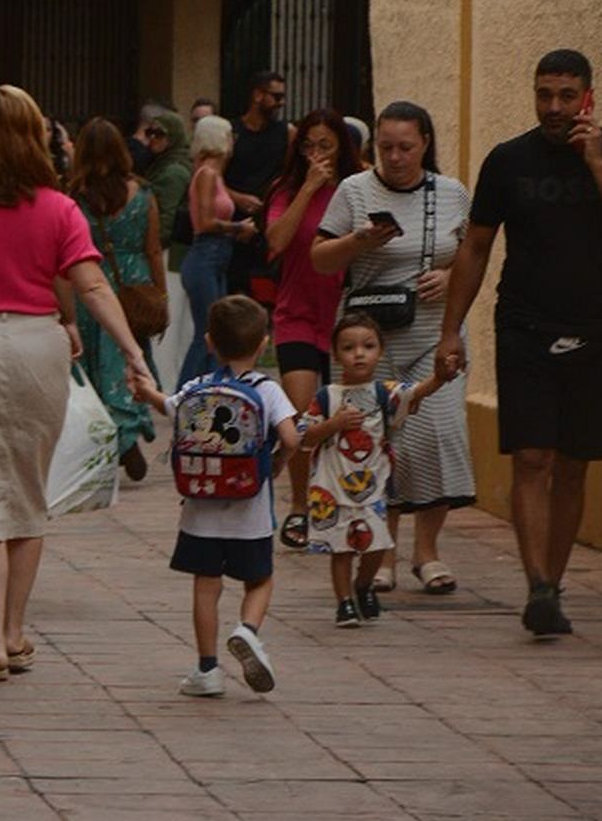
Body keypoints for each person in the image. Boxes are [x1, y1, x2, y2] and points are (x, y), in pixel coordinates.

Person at [0, 85, 153, 682]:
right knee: (25, 492)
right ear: (35, 136)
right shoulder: (58, 208)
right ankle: (16, 633)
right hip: (38, 348)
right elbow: (94, 286)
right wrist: (132, 352)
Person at [437, 49, 602, 637]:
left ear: (589, 96)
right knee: (533, 457)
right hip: (523, 329)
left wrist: (598, 162)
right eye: (544, 94)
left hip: (595, 331)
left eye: (565, 95)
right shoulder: (508, 160)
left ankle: (553, 586)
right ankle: (536, 585)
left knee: (575, 465)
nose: (553, 107)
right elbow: (477, 247)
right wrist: (450, 329)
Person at [311, 101, 475, 596]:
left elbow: (474, 254)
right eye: (385, 148)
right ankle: (382, 553)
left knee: (439, 435)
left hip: (435, 333)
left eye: (405, 147)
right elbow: (320, 259)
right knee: (381, 446)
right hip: (369, 341)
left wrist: (449, 277)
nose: (396, 157)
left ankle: (429, 552)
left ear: (426, 143)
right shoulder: (353, 191)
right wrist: (358, 242)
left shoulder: (452, 194)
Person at [134, 295, 298, 697]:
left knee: (206, 585)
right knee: (259, 579)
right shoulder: (268, 390)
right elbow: (292, 437)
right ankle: (248, 630)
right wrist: (278, 461)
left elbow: (167, 406)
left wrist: (146, 390)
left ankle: (207, 670)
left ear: (209, 342)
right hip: (250, 511)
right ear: (264, 344)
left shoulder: (197, 387)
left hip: (199, 509)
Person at [299, 313, 453, 627]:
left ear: (379, 352)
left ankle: (363, 585)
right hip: (332, 489)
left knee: (375, 546)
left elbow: (417, 393)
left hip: (373, 488)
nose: (359, 353)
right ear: (336, 353)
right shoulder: (326, 397)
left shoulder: (385, 393)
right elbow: (304, 434)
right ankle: (344, 603)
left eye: (367, 346)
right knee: (341, 550)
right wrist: (334, 424)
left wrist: (440, 377)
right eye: (349, 347)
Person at [262, 110, 365, 549]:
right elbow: (276, 241)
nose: (317, 154)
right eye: (309, 146)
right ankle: (300, 507)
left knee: (350, 417)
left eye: (325, 145)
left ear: (342, 147)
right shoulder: (285, 190)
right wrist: (307, 187)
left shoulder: (358, 188)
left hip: (347, 316)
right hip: (297, 314)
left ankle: (345, 502)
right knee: (301, 415)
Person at [66, 117, 164, 480]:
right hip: (132, 285)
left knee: (94, 365)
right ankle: (128, 427)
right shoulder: (143, 194)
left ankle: (105, 437)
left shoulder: (74, 199)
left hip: (89, 282)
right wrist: (159, 292)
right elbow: (153, 248)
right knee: (128, 358)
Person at [179, 115, 255, 384]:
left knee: (216, 332)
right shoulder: (208, 173)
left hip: (216, 256)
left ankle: (208, 387)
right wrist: (238, 228)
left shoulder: (213, 173)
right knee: (208, 332)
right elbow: (204, 222)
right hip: (206, 255)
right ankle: (186, 392)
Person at [226, 71, 291, 303]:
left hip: (267, 223)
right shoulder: (232, 132)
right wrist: (237, 198)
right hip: (233, 223)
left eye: (283, 97)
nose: (280, 103)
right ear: (257, 95)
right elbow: (212, 178)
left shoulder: (285, 133)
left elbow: (289, 175)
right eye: (276, 96)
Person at [144, 111, 194, 390]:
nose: (153, 139)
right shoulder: (168, 165)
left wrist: (149, 248)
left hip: (169, 254)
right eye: (150, 133)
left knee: (168, 322)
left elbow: (166, 218)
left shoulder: (172, 171)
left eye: (160, 134)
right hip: (174, 253)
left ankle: (165, 382)